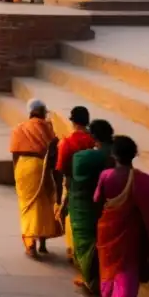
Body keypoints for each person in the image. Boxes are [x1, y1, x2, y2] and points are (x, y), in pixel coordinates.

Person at [95, 135, 149, 297]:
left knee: (108, 264)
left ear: (113, 155)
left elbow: (97, 198)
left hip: (108, 228)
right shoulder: (144, 180)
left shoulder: (106, 176)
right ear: (134, 155)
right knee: (128, 270)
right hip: (131, 230)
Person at [65, 119, 115, 297]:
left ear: (93, 136)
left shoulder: (85, 157)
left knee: (86, 243)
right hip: (114, 207)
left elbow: (74, 172)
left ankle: (92, 282)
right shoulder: (118, 154)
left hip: (89, 206)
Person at [9, 99, 62, 259]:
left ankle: (30, 245)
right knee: (45, 204)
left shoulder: (20, 128)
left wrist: (16, 172)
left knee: (27, 205)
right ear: (42, 111)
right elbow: (54, 150)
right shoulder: (48, 127)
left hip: (24, 165)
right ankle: (43, 244)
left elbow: (15, 153)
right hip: (43, 165)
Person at [56, 106, 95, 263]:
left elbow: (60, 167)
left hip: (74, 184)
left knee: (73, 216)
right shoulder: (93, 140)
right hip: (94, 183)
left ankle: (74, 250)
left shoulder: (67, 142)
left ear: (73, 122)